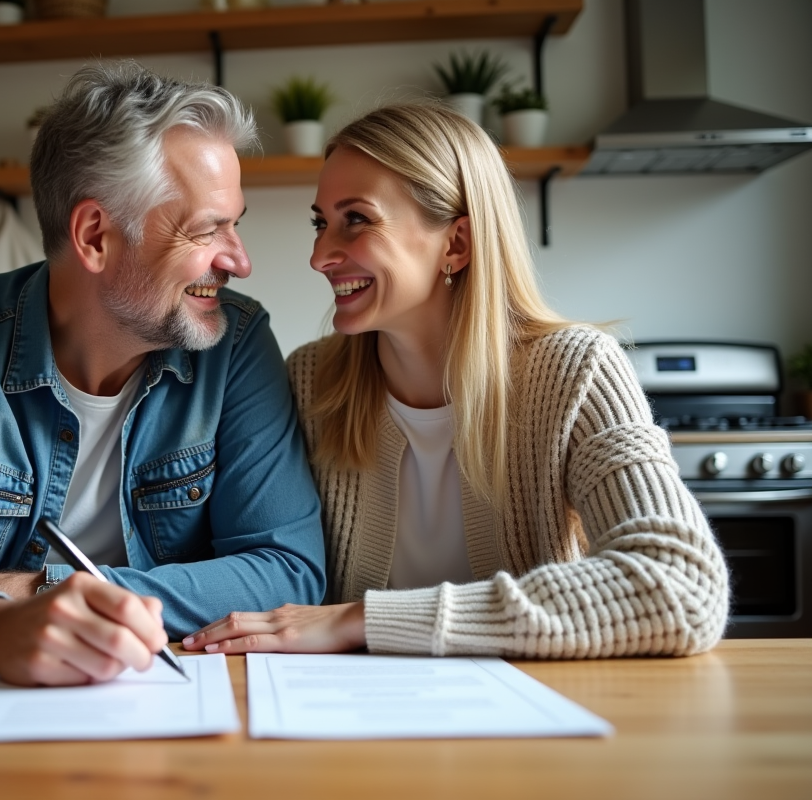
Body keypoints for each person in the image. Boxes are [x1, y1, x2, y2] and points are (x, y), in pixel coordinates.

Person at [0, 62, 326, 686]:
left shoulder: (233, 343)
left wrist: (41, 588)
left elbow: (288, 569)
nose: (240, 260)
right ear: (95, 236)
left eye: (236, 223)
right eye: (208, 229)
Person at [182, 103, 729, 659]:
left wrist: (366, 619)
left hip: (532, 721)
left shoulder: (578, 373)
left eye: (357, 220)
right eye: (321, 222)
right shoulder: (308, 381)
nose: (320, 255)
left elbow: (683, 588)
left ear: (457, 244)